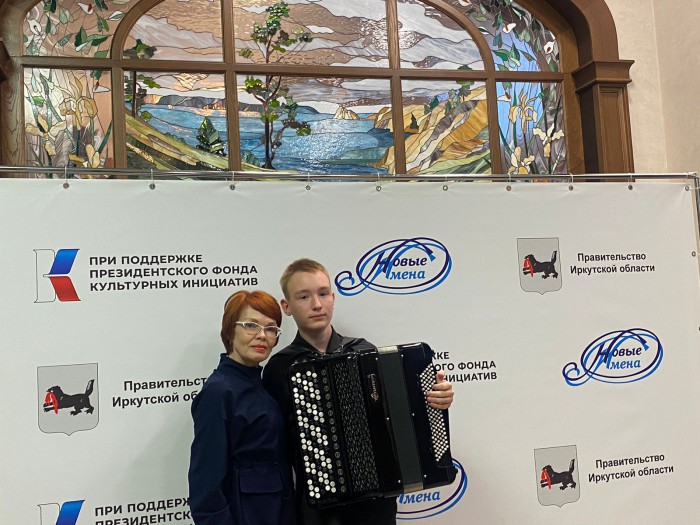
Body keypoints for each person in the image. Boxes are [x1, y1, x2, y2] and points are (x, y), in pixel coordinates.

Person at [262, 259, 454, 525]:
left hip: (376, 507)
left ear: (333, 298)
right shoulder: (280, 367)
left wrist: (435, 399)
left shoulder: (365, 351)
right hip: (319, 511)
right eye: (303, 297)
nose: (316, 304)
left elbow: (404, 414)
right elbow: (277, 449)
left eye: (323, 293)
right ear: (287, 307)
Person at [189, 290, 296, 525]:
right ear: (230, 330)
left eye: (271, 328)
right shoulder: (219, 392)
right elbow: (206, 489)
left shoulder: (260, 384)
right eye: (251, 325)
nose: (262, 335)